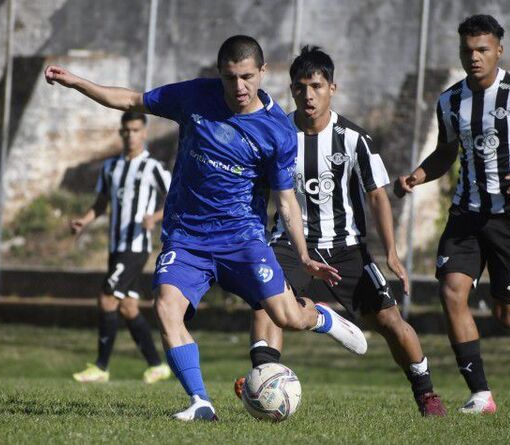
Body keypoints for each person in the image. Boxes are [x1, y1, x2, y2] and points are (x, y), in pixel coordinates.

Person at [45, 35, 367, 421]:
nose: (239, 87)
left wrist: (303, 256)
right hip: (187, 237)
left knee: (287, 317)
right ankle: (200, 402)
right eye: (230, 78)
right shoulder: (196, 96)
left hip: (243, 240)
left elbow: (285, 201)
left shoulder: (277, 130)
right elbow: (132, 100)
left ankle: (324, 318)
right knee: (166, 307)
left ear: (263, 72)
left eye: (247, 76)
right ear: (220, 74)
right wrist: (77, 81)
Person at [234, 46, 446, 416]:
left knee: (391, 322)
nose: (308, 95)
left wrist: (392, 253)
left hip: (347, 249)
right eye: (300, 87)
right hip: (290, 243)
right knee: (266, 305)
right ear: (292, 90)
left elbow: (378, 197)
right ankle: (262, 379)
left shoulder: (354, 139)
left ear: (332, 87)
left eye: (316, 86)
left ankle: (426, 394)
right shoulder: (278, 135)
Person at [394, 14, 510, 414]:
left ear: (498, 51)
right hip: (466, 215)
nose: (474, 57)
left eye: (482, 50)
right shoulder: (449, 101)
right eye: (467, 50)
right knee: (451, 291)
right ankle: (481, 393)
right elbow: (445, 153)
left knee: (508, 313)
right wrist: (417, 176)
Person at [70, 112, 172, 384]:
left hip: (136, 247)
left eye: (135, 130)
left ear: (144, 133)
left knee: (106, 297)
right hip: (116, 246)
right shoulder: (110, 167)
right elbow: (101, 203)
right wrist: (85, 220)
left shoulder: (152, 167)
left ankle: (101, 367)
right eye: (125, 130)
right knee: (127, 306)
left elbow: (176, 197)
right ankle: (157, 365)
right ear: (121, 132)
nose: (130, 135)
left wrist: (155, 217)